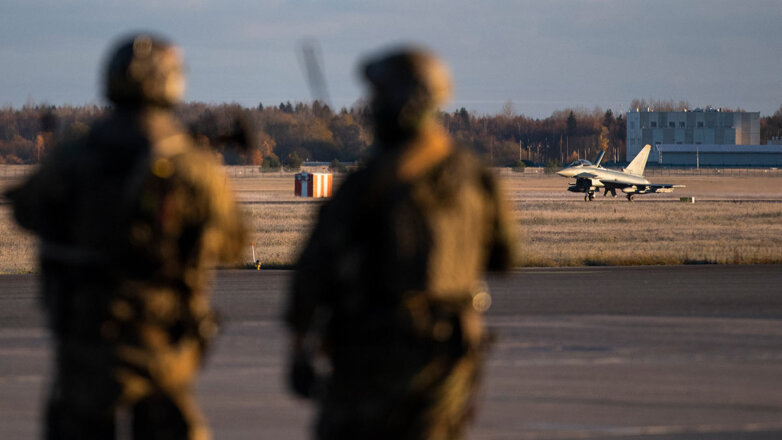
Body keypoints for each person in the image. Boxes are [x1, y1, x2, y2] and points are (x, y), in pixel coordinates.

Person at [7, 33, 246, 440]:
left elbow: (27, 209)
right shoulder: (190, 163)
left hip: (86, 338)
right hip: (160, 343)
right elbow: (234, 243)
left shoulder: (76, 155)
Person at [285, 46, 515, 440]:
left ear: (400, 104)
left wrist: (299, 348)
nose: (370, 107)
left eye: (377, 98)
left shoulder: (368, 186)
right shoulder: (476, 178)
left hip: (373, 361)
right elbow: (505, 257)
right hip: (449, 366)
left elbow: (312, 276)